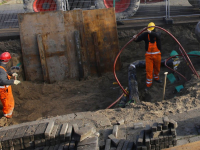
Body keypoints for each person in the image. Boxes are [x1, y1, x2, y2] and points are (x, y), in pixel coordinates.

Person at [133, 22, 162, 91]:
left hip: (157, 55)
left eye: (152, 30)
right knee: (149, 70)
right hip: (148, 56)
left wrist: (149, 31)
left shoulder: (158, 33)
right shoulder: (145, 35)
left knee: (157, 68)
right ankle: (148, 84)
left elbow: (157, 35)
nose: (151, 31)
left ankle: (156, 78)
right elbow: (138, 39)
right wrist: (135, 38)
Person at [0, 52, 21, 118]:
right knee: (8, 104)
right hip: (4, 90)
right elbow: (2, 81)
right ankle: (7, 117)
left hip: (5, 89)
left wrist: (11, 74)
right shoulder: (1, 70)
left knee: (9, 102)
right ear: (7, 60)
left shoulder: (2, 66)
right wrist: (13, 81)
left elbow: (4, 72)